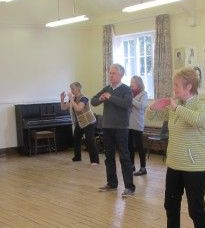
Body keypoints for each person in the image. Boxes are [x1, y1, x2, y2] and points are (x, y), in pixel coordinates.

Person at [147, 68, 205, 228]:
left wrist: (176, 108)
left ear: (188, 87)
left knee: (196, 210)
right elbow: (151, 119)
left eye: (177, 85)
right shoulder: (174, 106)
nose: (174, 88)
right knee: (170, 203)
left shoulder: (200, 107)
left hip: (194, 167)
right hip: (174, 164)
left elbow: (198, 121)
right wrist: (153, 107)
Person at [91, 64, 135, 198]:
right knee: (109, 157)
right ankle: (111, 183)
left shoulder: (126, 89)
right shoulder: (107, 88)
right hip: (107, 127)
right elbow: (93, 101)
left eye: (114, 73)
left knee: (124, 157)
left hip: (121, 128)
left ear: (121, 75)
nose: (111, 75)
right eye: (110, 73)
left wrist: (110, 97)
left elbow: (127, 104)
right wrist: (101, 98)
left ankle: (129, 187)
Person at [60, 82, 100, 165]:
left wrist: (71, 99)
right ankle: (77, 157)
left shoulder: (84, 98)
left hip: (89, 121)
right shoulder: (73, 98)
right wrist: (62, 98)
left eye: (73, 89)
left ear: (78, 89)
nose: (71, 90)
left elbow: (78, 108)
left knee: (90, 140)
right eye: (71, 89)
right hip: (80, 122)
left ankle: (95, 161)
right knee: (76, 138)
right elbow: (63, 108)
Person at [128, 76, 148, 176]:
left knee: (139, 146)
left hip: (137, 123)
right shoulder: (129, 92)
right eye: (131, 82)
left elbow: (142, 106)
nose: (131, 84)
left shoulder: (144, 94)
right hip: (128, 123)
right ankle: (131, 165)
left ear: (139, 83)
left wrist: (131, 99)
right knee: (129, 146)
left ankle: (143, 168)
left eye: (134, 82)